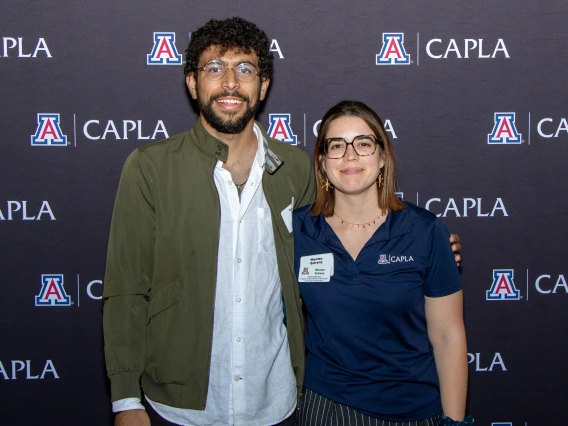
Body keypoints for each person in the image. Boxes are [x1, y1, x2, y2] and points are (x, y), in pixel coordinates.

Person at [103, 18, 462, 426]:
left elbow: (341, 222)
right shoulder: (149, 169)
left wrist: (428, 246)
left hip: (275, 404)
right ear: (192, 82)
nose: (230, 83)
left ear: (263, 85)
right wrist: (126, 400)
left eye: (245, 69)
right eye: (214, 68)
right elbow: (126, 291)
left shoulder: (294, 168)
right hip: (180, 407)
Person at [293, 101, 473, 425]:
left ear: (382, 157)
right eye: (336, 146)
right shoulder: (296, 231)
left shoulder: (425, 231)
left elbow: (448, 336)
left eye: (363, 143)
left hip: (413, 410)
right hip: (327, 408)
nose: (350, 156)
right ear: (322, 162)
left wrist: (454, 422)